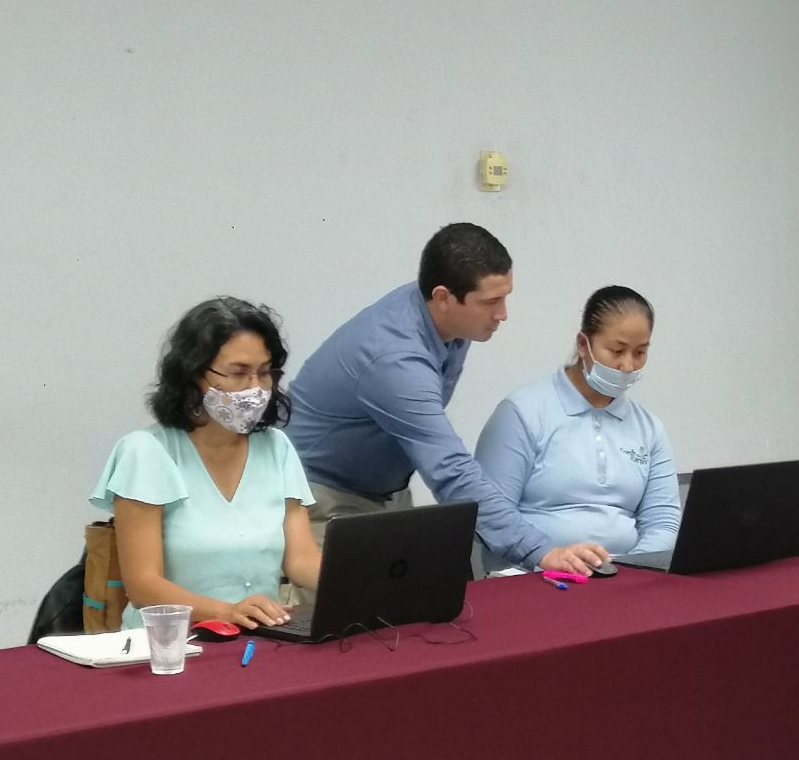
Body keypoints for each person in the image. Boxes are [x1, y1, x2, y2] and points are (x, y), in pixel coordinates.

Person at [284, 223, 609, 574]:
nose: (503, 314)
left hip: (383, 491)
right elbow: (450, 470)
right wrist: (541, 551)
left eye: (505, 297)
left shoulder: (451, 322)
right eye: (491, 302)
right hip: (320, 498)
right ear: (443, 298)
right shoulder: (396, 359)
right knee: (353, 605)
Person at [90, 298, 321, 630]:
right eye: (239, 373)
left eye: (264, 372)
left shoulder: (276, 447)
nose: (256, 388)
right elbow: (143, 586)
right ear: (195, 375)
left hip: (258, 639)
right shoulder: (145, 452)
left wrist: (366, 581)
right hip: (167, 644)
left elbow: (301, 560)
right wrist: (226, 612)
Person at [474, 286, 680, 573]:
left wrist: (633, 571)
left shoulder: (649, 428)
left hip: (624, 577)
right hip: (536, 575)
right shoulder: (522, 413)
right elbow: (491, 516)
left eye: (640, 352)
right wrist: (547, 556)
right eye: (617, 350)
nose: (627, 365)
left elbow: (663, 519)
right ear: (584, 345)